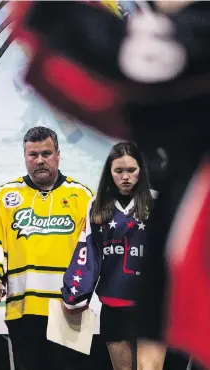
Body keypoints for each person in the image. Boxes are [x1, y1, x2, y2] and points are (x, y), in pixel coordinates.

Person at [12, 2, 210, 368]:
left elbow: (123, 74)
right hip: (131, 302)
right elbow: (117, 98)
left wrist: (40, 10)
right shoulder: (102, 205)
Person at [0, 126, 93, 370]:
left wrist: (81, 293)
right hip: (23, 307)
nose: (40, 160)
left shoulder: (82, 196)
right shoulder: (6, 195)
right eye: (33, 154)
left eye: (46, 153)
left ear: (58, 155)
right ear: (25, 157)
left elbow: (91, 251)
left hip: (69, 308)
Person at [61, 142, 166, 370]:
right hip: (113, 307)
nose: (125, 177)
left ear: (141, 170)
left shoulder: (158, 203)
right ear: (109, 172)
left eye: (131, 170)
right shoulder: (96, 206)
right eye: (119, 171)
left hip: (150, 308)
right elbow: (87, 253)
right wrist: (74, 294)